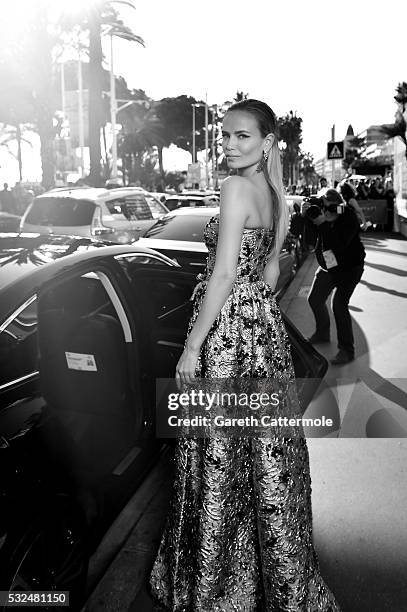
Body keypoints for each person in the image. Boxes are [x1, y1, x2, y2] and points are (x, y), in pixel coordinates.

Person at [148, 100, 341, 610]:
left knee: (219, 452)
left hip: (229, 334)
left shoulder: (236, 188)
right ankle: (274, 576)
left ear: (266, 141)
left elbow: (225, 274)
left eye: (241, 137)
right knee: (266, 454)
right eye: (225, 136)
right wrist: (257, 314)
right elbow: (271, 276)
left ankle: (220, 584)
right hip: (263, 332)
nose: (229, 145)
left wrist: (194, 345)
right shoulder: (276, 195)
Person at [306, 189, 365, 365]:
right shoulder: (322, 215)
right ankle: (323, 333)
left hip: (349, 268)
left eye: (328, 208)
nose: (324, 211)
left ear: (336, 206)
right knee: (315, 299)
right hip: (330, 265)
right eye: (322, 208)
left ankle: (347, 350)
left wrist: (323, 223)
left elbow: (337, 246)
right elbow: (309, 240)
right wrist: (306, 219)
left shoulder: (347, 217)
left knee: (339, 305)